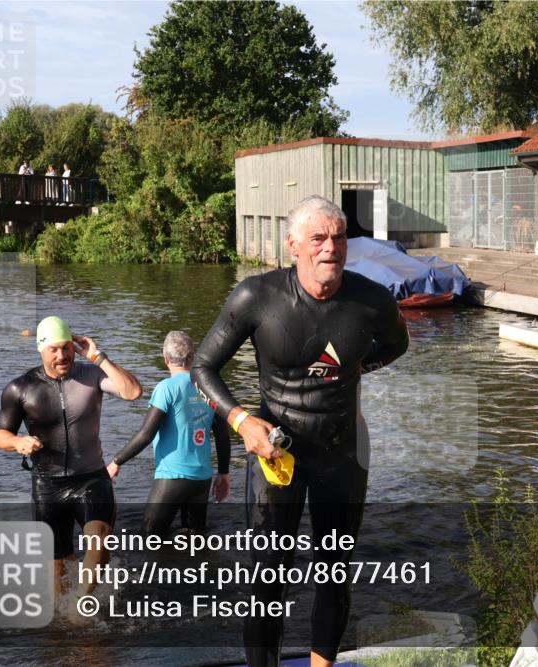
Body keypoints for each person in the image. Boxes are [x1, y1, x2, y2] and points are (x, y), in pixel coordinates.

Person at [192, 195, 409, 667]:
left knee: (335, 574)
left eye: (339, 237)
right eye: (318, 238)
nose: (331, 247)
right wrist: (241, 420)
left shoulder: (372, 300)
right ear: (293, 245)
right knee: (268, 577)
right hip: (276, 452)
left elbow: (397, 345)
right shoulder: (257, 297)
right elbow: (202, 366)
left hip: (342, 453)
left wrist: (353, 368)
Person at [0, 316, 142, 598]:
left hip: (91, 478)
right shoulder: (20, 387)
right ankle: (63, 618)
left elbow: (133, 392)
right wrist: (17, 441)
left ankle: (81, 605)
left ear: (74, 347)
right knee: (58, 567)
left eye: (66, 348)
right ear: (41, 349)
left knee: (99, 541)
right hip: (47, 485)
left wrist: (98, 356)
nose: (62, 355)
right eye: (54, 349)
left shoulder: (92, 375)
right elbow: (0, 434)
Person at [107, 331, 231, 535]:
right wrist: (224, 473)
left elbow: (146, 434)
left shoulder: (166, 388)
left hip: (172, 477)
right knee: (195, 539)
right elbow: (222, 435)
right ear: (193, 357)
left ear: (166, 358)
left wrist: (116, 462)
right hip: (202, 479)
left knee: (149, 538)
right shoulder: (209, 386)